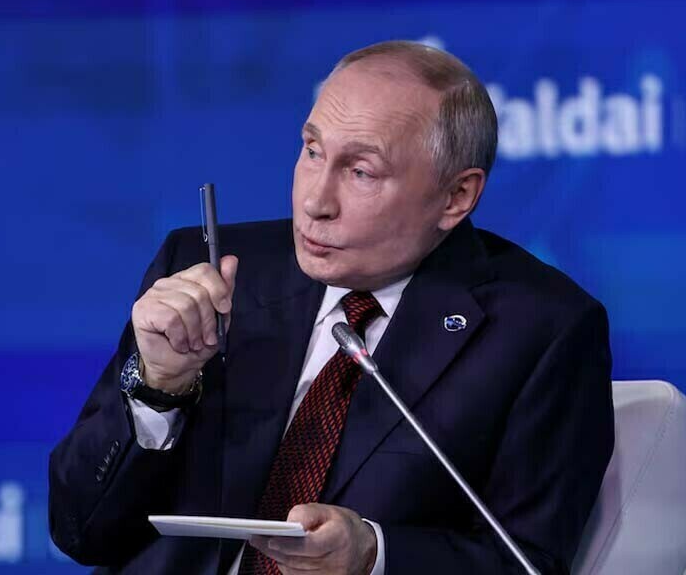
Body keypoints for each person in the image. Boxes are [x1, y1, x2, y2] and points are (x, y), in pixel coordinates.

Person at [48, 40, 614, 574]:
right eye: (312, 151)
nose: (315, 201)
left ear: (456, 196)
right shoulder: (206, 272)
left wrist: (374, 556)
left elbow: (529, 562)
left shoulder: (541, 329)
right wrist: (157, 388)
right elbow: (78, 530)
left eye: (361, 172)